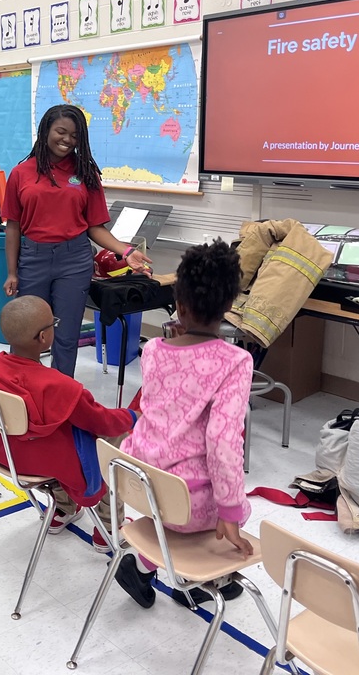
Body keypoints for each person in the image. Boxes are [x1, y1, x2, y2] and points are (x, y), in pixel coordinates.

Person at [115, 240, 253, 609]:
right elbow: (224, 443)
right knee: (232, 503)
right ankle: (192, 581)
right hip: (186, 504)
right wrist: (231, 511)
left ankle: (145, 567)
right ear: (228, 306)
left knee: (187, 498)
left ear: (178, 303)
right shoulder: (235, 361)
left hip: (139, 483)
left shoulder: (154, 350)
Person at [1, 104, 151, 377]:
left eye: (75, 135)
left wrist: (126, 250)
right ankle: (23, 395)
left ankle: (60, 394)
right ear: (45, 130)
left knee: (66, 336)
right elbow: (13, 226)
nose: (67, 140)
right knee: (26, 335)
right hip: (33, 258)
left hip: (74, 260)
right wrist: (12, 272)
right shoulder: (22, 173)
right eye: (61, 131)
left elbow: (95, 227)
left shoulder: (85, 173)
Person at [0, 295, 137, 552]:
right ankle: (109, 528)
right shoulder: (59, 386)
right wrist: (132, 416)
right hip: (45, 460)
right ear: (43, 337)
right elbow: (103, 423)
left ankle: (63, 509)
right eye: (54, 323)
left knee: (61, 429)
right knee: (117, 437)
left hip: (5, 452)